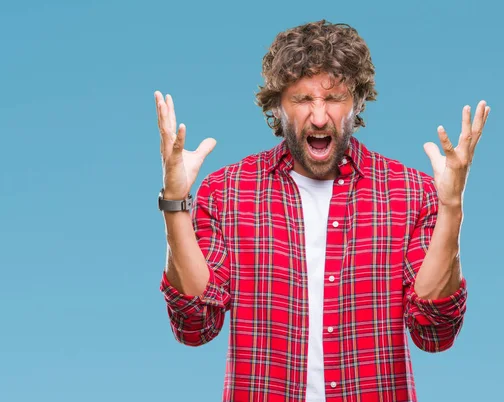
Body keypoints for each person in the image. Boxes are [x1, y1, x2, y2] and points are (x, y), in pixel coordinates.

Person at [154, 20, 490, 402]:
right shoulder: (228, 192)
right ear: (277, 106)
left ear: (357, 102)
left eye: (333, 98)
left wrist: (451, 207)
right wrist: (175, 203)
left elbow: (435, 333)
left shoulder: (411, 193)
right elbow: (195, 326)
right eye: (301, 99)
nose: (318, 116)